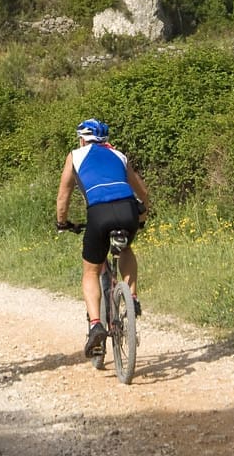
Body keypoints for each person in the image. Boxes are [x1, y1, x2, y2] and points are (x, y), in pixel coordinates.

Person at [55, 117, 149, 357]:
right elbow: (143, 192)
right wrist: (142, 215)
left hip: (99, 213)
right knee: (126, 249)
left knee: (91, 271)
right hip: (128, 208)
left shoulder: (75, 155)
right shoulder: (119, 155)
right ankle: (132, 297)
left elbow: (63, 195)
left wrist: (62, 222)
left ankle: (96, 323)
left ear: (82, 138)